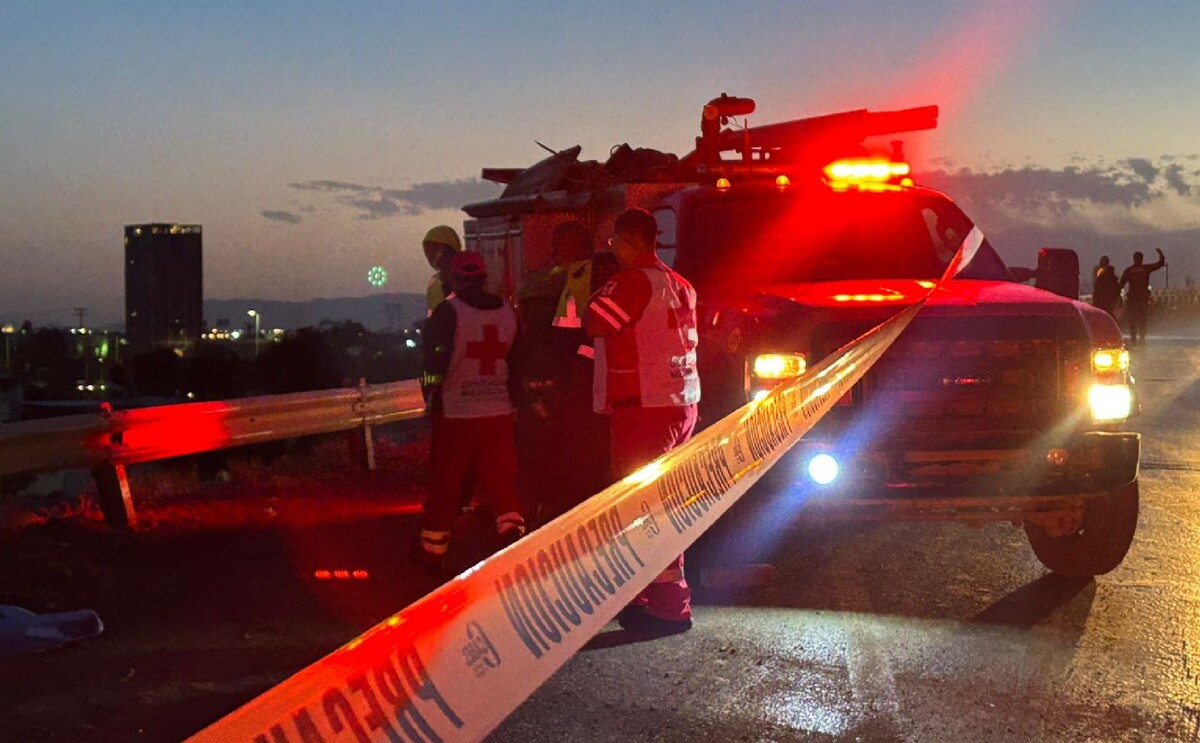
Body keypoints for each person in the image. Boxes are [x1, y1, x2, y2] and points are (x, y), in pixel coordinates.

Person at [585, 208, 700, 635]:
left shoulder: (632, 282)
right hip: (678, 403)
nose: (612, 250)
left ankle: (668, 606)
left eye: (615, 243)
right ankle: (645, 597)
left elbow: (596, 321)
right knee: (662, 502)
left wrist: (593, 292)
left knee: (644, 507)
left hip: (643, 407)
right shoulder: (680, 284)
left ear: (630, 241)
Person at [416, 251, 526, 572]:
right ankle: (514, 537)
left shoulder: (447, 312)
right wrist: (515, 402)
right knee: (501, 481)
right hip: (499, 412)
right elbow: (517, 364)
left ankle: (432, 553)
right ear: (483, 276)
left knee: (446, 483)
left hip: (456, 413)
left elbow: (432, 364)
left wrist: (431, 397)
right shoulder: (508, 311)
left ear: (455, 277)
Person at [1118, 248, 1166, 344]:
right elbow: (1159, 264)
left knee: (1132, 321)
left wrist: (1119, 297)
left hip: (1132, 300)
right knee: (1142, 320)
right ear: (1141, 259)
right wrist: (1161, 255)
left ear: (1134, 259)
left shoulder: (1129, 270)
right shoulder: (1145, 269)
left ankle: (1134, 340)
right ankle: (1142, 339)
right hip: (1142, 300)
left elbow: (1121, 284)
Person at [422, 225, 463, 317]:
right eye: (429, 250)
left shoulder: (465, 276)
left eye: (437, 249)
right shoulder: (434, 282)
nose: (433, 255)